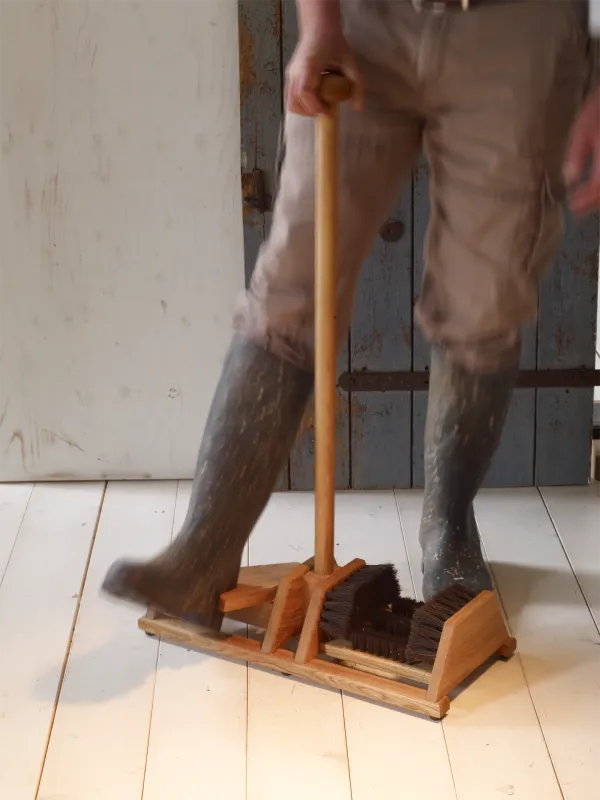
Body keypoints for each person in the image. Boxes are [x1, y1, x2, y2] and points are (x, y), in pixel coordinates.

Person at [102, 0, 600, 625]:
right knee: (291, 284)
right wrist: (320, 25)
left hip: (520, 34)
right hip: (367, 22)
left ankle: (447, 534)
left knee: (484, 301)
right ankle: (203, 556)